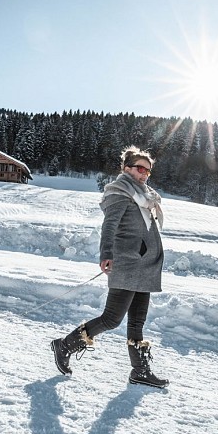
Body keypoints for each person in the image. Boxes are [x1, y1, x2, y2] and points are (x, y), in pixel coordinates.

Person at [51, 146, 169, 388]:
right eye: (139, 168)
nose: (144, 174)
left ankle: (140, 371)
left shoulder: (145, 197)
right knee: (112, 319)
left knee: (137, 322)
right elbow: (109, 226)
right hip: (127, 263)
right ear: (126, 169)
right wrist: (106, 253)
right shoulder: (120, 192)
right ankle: (64, 345)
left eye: (148, 170)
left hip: (145, 266)